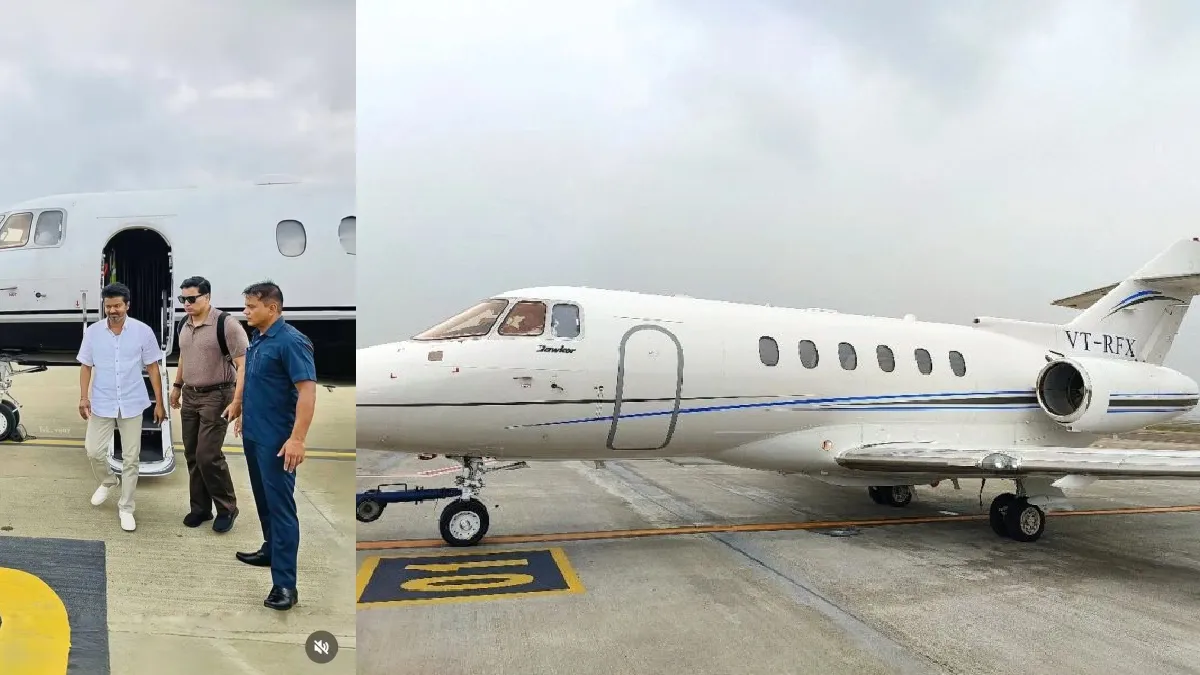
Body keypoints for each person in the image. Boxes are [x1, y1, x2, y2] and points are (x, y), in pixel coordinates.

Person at [232, 280, 316, 611]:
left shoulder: (291, 342)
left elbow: (307, 391)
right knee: (264, 500)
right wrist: (241, 408)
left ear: (272, 308)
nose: (245, 312)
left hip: (278, 441)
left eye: (251, 306)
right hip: (254, 434)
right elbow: (257, 381)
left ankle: (285, 585)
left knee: (281, 509)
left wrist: (297, 439)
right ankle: (270, 550)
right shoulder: (259, 338)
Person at [77, 282, 166, 532]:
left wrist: (159, 403)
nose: (113, 310)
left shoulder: (142, 331)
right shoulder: (93, 332)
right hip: (102, 401)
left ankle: (126, 508)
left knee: (131, 458)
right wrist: (83, 397)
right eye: (108, 306)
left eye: (117, 305)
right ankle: (108, 481)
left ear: (127, 305)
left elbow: (153, 368)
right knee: (93, 451)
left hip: (132, 402)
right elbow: (85, 366)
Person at [170, 275, 248, 533]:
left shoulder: (226, 325)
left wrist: (238, 401)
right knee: (192, 454)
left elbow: (243, 365)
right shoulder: (184, 323)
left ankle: (227, 508)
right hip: (190, 395)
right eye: (183, 299)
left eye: (192, 299)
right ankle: (200, 508)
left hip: (218, 395)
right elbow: (184, 356)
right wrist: (177, 386)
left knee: (208, 455)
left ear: (207, 297)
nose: (187, 304)